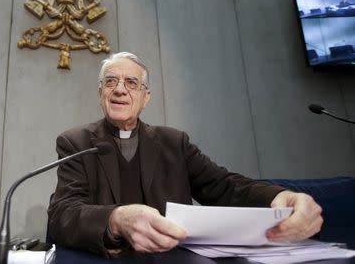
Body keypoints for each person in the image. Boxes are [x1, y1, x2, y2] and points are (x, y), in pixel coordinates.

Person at [47, 52, 323, 257]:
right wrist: (116, 219)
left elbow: (225, 187)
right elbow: (62, 215)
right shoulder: (77, 142)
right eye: (110, 82)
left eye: (131, 82)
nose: (120, 89)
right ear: (100, 93)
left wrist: (279, 197)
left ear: (146, 97)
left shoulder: (173, 142)